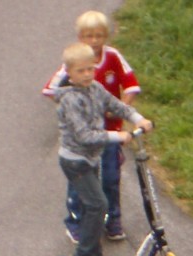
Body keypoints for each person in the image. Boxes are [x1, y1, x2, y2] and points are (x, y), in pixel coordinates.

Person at [54, 42, 152, 256]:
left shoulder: (95, 88)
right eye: (81, 71)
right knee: (98, 205)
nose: (87, 74)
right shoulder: (69, 100)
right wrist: (116, 136)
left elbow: (116, 105)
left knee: (92, 207)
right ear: (69, 72)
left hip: (91, 157)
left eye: (90, 69)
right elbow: (83, 135)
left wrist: (138, 118)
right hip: (75, 160)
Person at [44, 10, 141, 243]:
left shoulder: (113, 57)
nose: (94, 41)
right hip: (83, 140)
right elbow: (51, 90)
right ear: (80, 37)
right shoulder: (75, 63)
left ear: (106, 36)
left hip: (111, 134)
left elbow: (131, 86)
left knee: (110, 178)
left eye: (99, 36)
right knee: (82, 181)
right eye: (88, 36)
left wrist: (124, 110)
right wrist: (73, 111)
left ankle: (113, 220)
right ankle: (76, 221)